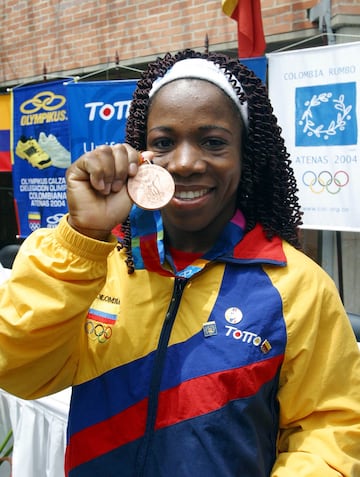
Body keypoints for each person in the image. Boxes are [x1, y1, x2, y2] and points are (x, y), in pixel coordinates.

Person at [0, 48, 359, 477]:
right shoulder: (96, 262)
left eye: (213, 142)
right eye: (164, 143)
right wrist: (83, 237)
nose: (186, 163)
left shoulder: (297, 285)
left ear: (246, 157)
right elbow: (17, 369)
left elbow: (328, 429)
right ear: (139, 155)